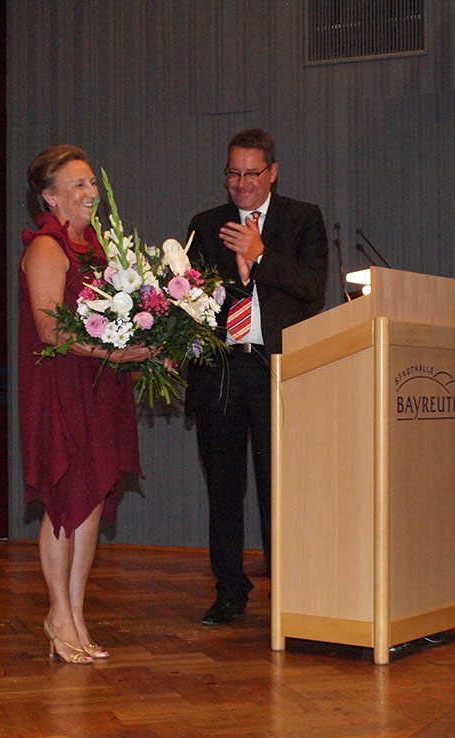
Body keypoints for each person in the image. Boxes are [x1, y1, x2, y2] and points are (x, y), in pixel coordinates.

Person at [185, 128, 328, 626]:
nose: (241, 183)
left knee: (278, 488)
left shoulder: (302, 219)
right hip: (222, 370)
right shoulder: (205, 225)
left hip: (277, 369)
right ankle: (229, 590)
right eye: (233, 173)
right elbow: (188, 298)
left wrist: (261, 254)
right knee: (224, 489)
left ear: (272, 173)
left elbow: (313, 288)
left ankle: (287, 591)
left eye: (251, 173)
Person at [18, 145, 155, 663]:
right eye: (78, 184)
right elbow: (50, 329)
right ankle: (57, 614)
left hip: (99, 387)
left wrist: (153, 342)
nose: (91, 192)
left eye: (92, 182)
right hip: (60, 385)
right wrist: (116, 353)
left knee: (92, 498)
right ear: (50, 197)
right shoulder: (47, 248)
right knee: (64, 498)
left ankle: (76, 614)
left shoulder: (101, 250)